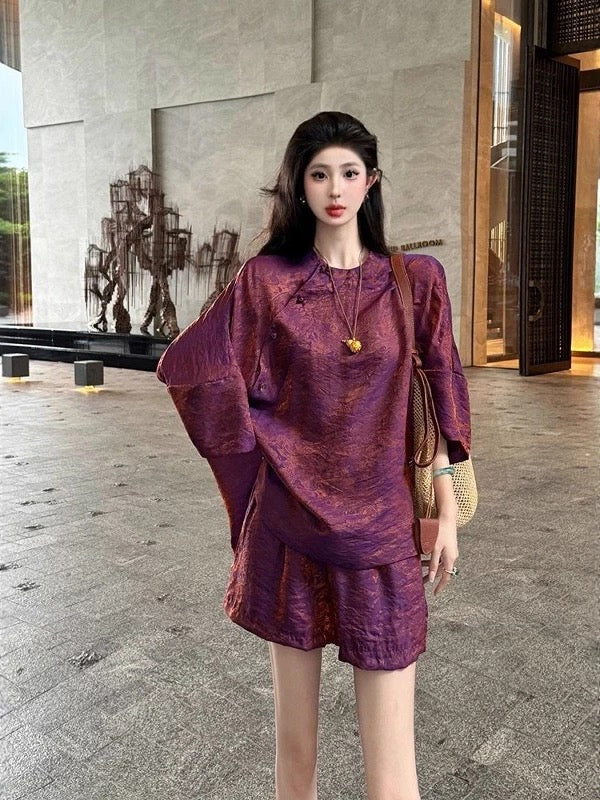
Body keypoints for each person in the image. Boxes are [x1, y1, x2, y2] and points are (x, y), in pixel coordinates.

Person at [157, 111, 471, 800]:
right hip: (290, 528)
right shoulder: (268, 280)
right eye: (319, 173)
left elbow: (441, 391)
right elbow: (194, 366)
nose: (335, 188)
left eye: (349, 173)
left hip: (383, 534)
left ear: (371, 181)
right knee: (295, 753)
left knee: (393, 771)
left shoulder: (416, 280)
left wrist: (447, 510)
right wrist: (259, 451)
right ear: (299, 184)